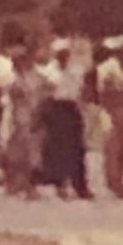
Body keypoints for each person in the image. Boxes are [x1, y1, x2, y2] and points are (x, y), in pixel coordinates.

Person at [40, 38, 92, 199]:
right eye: (60, 54)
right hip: (55, 109)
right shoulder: (48, 71)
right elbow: (45, 93)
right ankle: (59, 184)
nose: (63, 56)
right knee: (57, 149)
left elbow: (82, 92)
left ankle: (80, 186)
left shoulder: (77, 70)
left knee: (77, 149)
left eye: (66, 53)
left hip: (71, 108)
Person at [1, 46, 48, 199]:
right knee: (16, 155)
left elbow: (44, 94)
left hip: (33, 119)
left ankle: (29, 187)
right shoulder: (11, 77)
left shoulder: (37, 77)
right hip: (17, 119)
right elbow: (9, 97)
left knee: (32, 156)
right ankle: (15, 184)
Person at [96, 44, 123, 200]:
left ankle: (119, 179)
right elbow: (105, 93)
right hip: (111, 112)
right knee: (113, 149)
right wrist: (114, 112)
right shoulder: (106, 68)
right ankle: (113, 182)